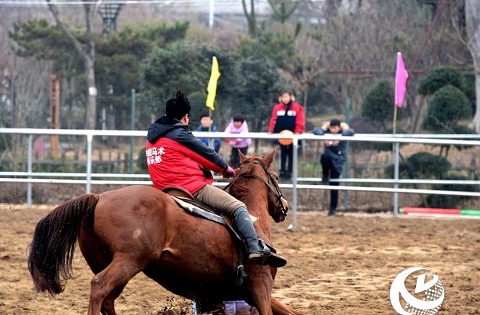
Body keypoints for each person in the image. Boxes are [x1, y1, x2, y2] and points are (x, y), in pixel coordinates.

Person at [146, 90, 286, 268]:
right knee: (238, 207)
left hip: (163, 190)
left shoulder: (153, 137)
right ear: (186, 117)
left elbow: (182, 160)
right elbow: (205, 153)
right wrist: (225, 169)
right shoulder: (179, 134)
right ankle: (254, 248)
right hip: (191, 189)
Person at [314, 119, 355, 216]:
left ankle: (333, 208)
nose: (333, 130)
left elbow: (351, 131)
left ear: (339, 128)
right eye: (331, 128)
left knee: (334, 185)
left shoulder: (343, 133)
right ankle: (325, 175)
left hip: (338, 161)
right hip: (329, 159)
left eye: (335, 128)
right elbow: (316, 131)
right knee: (324, 156)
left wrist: (340, 137)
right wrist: (324, 133)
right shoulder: (327, 133)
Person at [268, 90, 305, 180]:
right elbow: (274, 119)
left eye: (286, 97)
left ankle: (290, 172)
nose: (285, 99)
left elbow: (300, 120)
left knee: (291, 153)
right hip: (281, 135)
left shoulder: (297, 107)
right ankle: (282, 171)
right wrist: (271, 130)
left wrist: (297, 131)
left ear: (291, 97)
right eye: (283, 97)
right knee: (283, 153)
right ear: (281, 98)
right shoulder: (277, 107)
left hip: (293, 135)